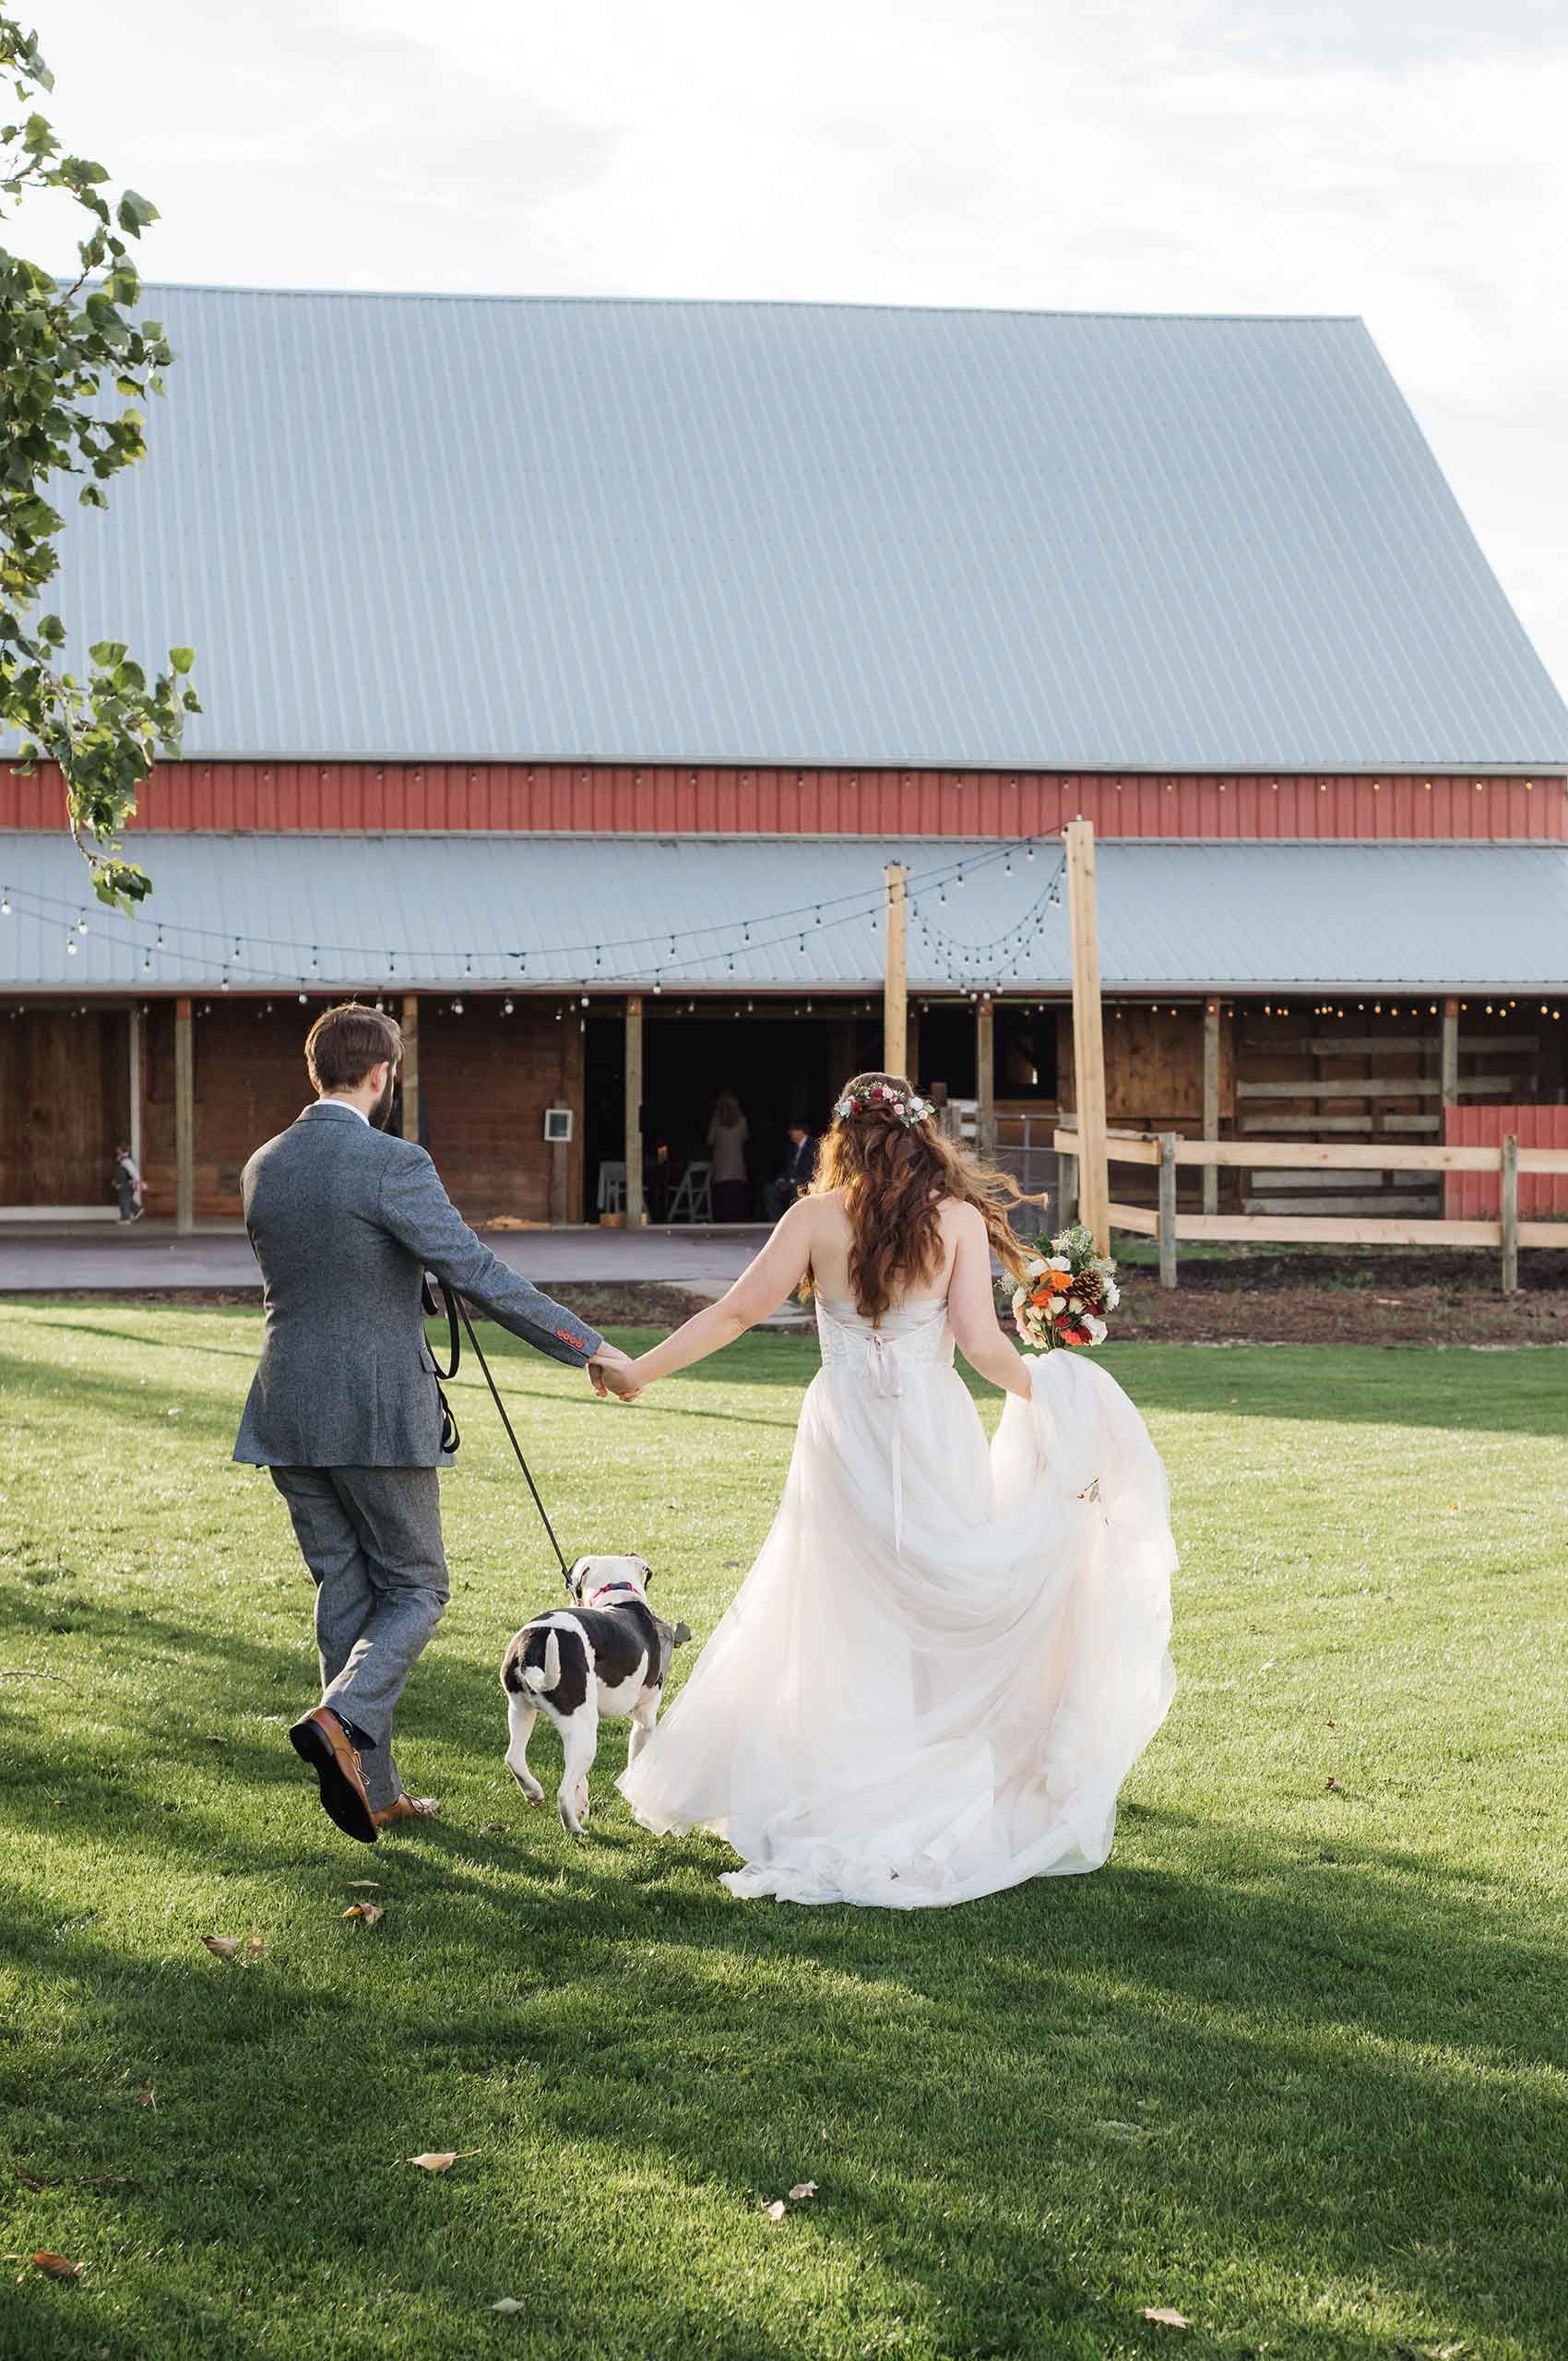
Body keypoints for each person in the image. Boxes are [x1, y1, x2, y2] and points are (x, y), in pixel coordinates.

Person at [596, 1071, 1176, 1909]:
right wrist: (1057, 1394)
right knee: (940, 1591)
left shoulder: (811, 1219)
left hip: (844, 1430)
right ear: (922, 1137)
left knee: (838, 1601)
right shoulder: (958, 1220)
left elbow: (732, 1314)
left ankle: (852, 1769)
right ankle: (933, 1764)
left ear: (842, 1140)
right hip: (932, 1429)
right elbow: (980, 1345)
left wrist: (641, 1371)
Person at [234, 1002, 634, 1844]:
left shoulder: (264, 1165)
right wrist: (585, 1345)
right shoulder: (393, 1162)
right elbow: (478, 1270)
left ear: (319, 1071)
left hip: (285, 1407)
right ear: (383, 1074)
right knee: (418, 1586)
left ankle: (373, 1790)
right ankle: (341, 1719)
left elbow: (338, 1276)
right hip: (374, 1410)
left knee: (345, 1593)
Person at [706, 1090, 751, 1221]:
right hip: (737, 1170)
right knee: (736, 1205)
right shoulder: (742, 1121)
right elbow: (745, 1138)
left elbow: (709, 1140)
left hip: (721, 1171)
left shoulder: (716, 1121)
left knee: (723, 1206)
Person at [762, 1121, 815, 1220]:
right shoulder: (791, 1148)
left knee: (796, 1188)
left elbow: (813, 1173)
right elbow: (786, 1170)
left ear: (801, 1132)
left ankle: (798, 1222)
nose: (790, 1133)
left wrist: (792, 1183)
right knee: (769, 1190)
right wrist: (781, 1180)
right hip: (790, 1185)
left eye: (792, 1131)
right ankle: (778, 1223)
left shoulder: (814, 1146)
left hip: (805, 1185)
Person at [111, 1142, 144, 1222]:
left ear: (123, 1152)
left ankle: (126, 1217)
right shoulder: (122, 1161)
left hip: (127, 1184)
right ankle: (137, 1210)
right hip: (123, 1184)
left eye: (119, 1151)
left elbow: (133, 1173)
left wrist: (137, 1181)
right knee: (127, 1199)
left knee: (124, 1200)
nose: (117, 1153)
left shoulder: (126, 1161)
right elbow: (120, 1174)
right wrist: (116, 1181)